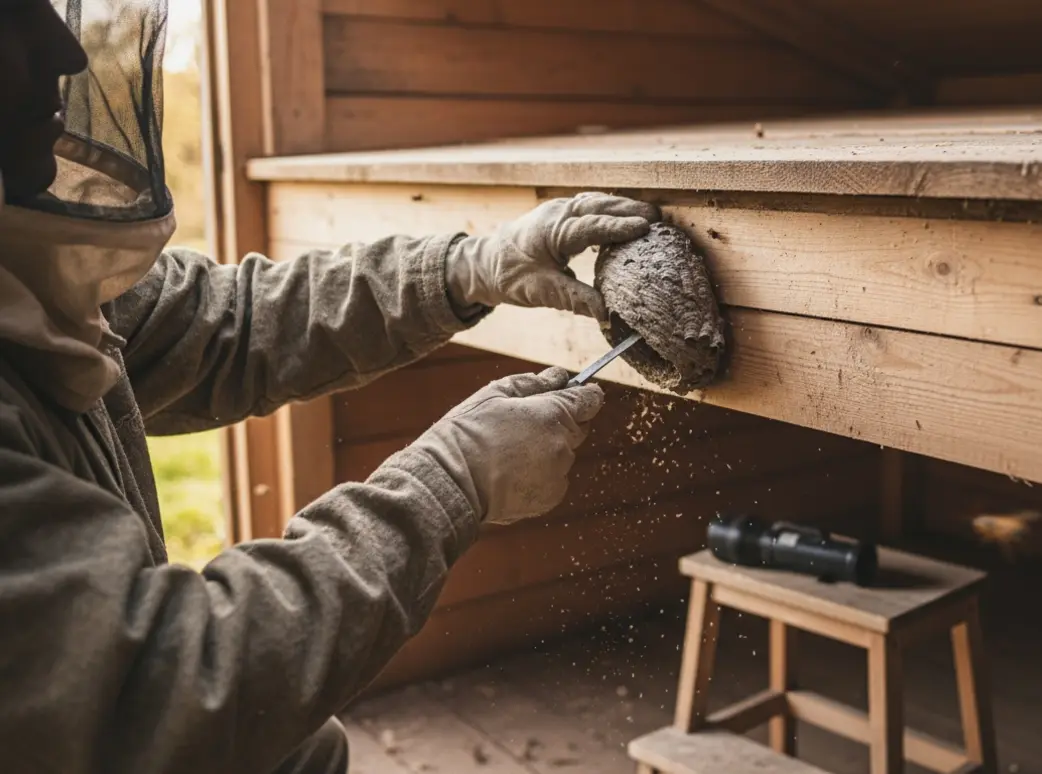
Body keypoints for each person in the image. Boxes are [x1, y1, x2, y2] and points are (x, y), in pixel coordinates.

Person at [0, 1, 660, 772]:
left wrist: (465, 269)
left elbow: (223, 322)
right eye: (11, 16)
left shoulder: (29, 279)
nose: (63, 52)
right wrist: (451, 482)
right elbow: (152, 688)